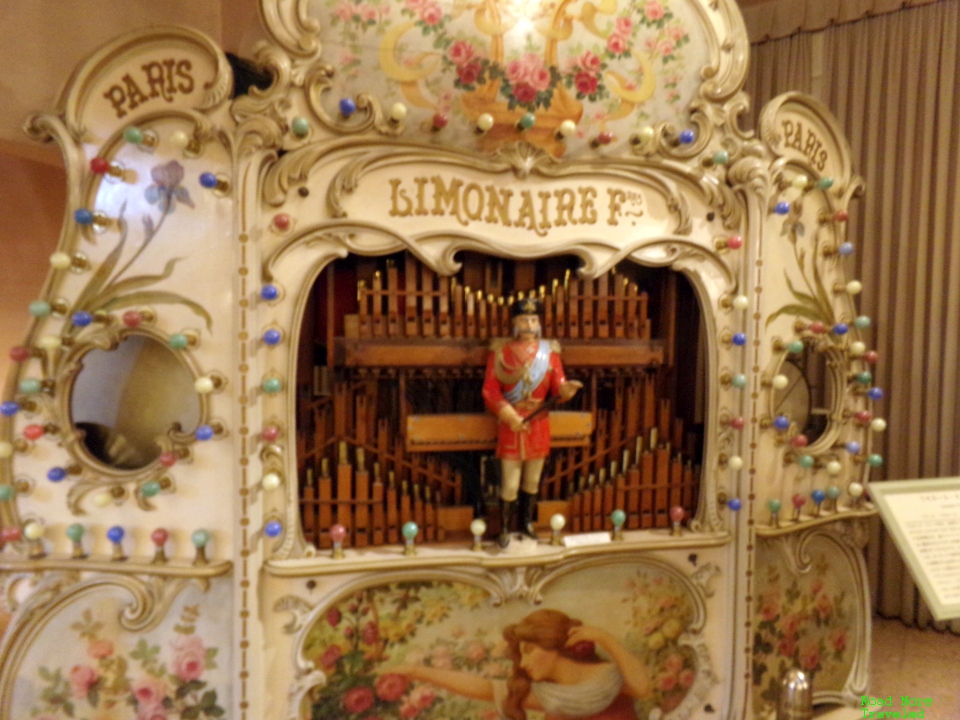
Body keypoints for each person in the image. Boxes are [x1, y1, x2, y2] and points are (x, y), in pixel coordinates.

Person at [389, 608, 652, 720]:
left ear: (553, 645)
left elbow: (641, 689)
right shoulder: (547, 693)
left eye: (528, 651)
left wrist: (606, 639)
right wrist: (415, 671)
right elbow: (482, 687)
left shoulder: (608, 676)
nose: (524, 663)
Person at [482, 297, 582, 547]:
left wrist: (565, 390)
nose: (529, 324)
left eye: (534, 319)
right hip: (511, 423)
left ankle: (525, 524)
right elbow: (490, 390)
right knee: (510, 482)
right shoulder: (501, 351)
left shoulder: (550, 352)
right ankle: (504, 527)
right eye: (524, 319)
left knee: (532, 481)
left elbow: (558, 383)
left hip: (538, 422)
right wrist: (510, 416)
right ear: (515, 322)